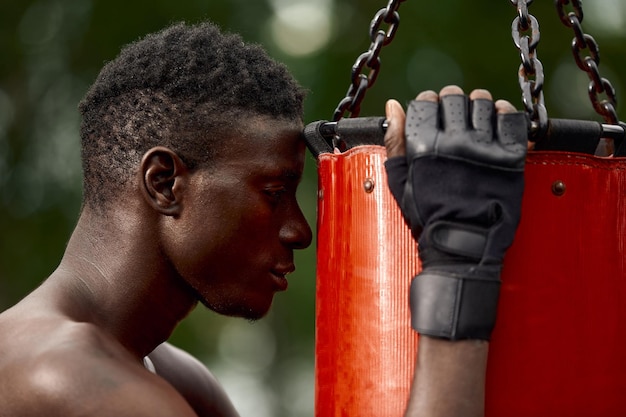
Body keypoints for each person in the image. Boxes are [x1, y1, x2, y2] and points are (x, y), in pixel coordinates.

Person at [0, 20, 527, 417]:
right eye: (274, 192)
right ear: (164, 182)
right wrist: (459, 265)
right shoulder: (63, 374)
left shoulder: (173, 376)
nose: (299, 231)